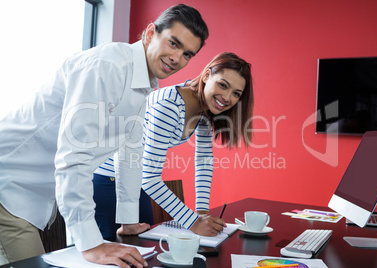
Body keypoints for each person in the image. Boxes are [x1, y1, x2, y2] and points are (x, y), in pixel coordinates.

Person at [0, 4, 208, 268]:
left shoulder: (142, 84)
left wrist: (128, 219)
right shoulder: (108, 65)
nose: (177, 58)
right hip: (8, 183)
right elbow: (75, 155)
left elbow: (130, 154)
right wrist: (91, 244)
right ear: (150, 33)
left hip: (34, 195)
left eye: (187, 54)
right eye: (173, 43)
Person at [140, 52, 254, 236]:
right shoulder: (169, 105)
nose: (227, 97)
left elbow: (203, 161)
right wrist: (193, 221)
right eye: (223, 85)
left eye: (236, 94)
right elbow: (149, 177)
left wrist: (201, 213)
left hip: (135, 186)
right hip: (109, 180)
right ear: (207, 75)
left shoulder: (204, 110)